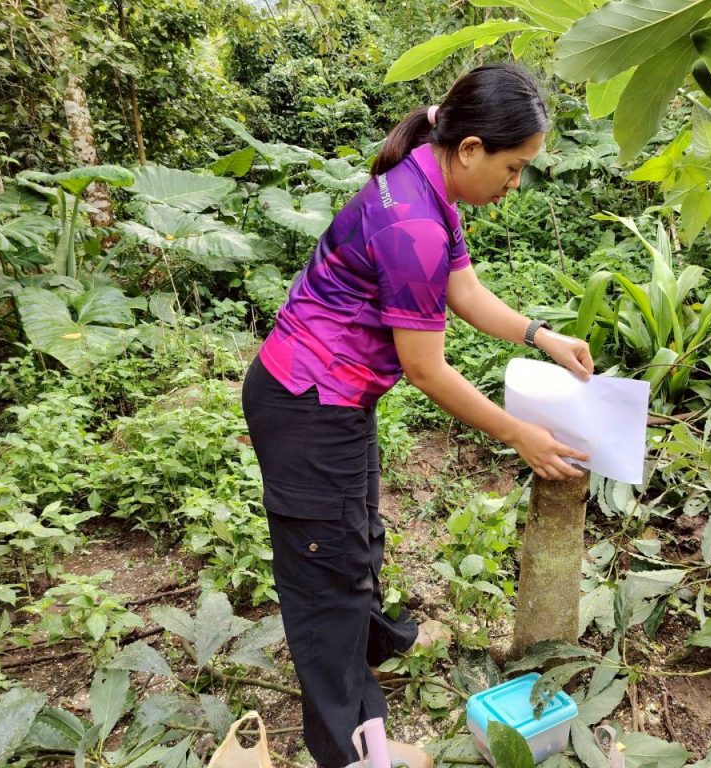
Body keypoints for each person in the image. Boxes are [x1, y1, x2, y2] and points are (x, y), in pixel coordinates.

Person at [241, 62, 595, 768]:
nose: (515, 183)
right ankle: (351, 749)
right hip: (308, 406)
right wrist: (517, 434)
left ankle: (375, 646)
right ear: (471, 149)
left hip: (336, 399)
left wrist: (541, 335)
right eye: (514, 167)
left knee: (357, 536)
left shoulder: (431, 189)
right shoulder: (413, 225)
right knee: (327, 578)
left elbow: (466, 293)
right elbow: (427, 370)